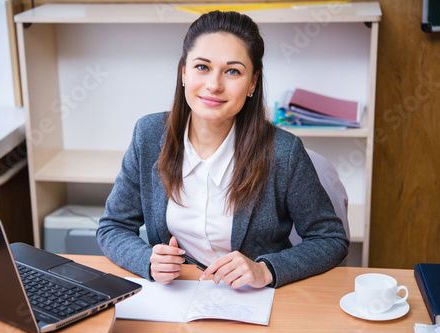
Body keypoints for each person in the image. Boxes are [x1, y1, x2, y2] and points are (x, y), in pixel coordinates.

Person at [97, 10, 348, 289]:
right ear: (183, 72)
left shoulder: (284, 152)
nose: (214, 85)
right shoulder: (148, 135)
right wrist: (146, 259)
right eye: (202, 67)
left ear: (252, 82)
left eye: (232, 71)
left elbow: (330, 239)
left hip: (252, 299)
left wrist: (265, 270)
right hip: (177, 294)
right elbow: (113, 227)